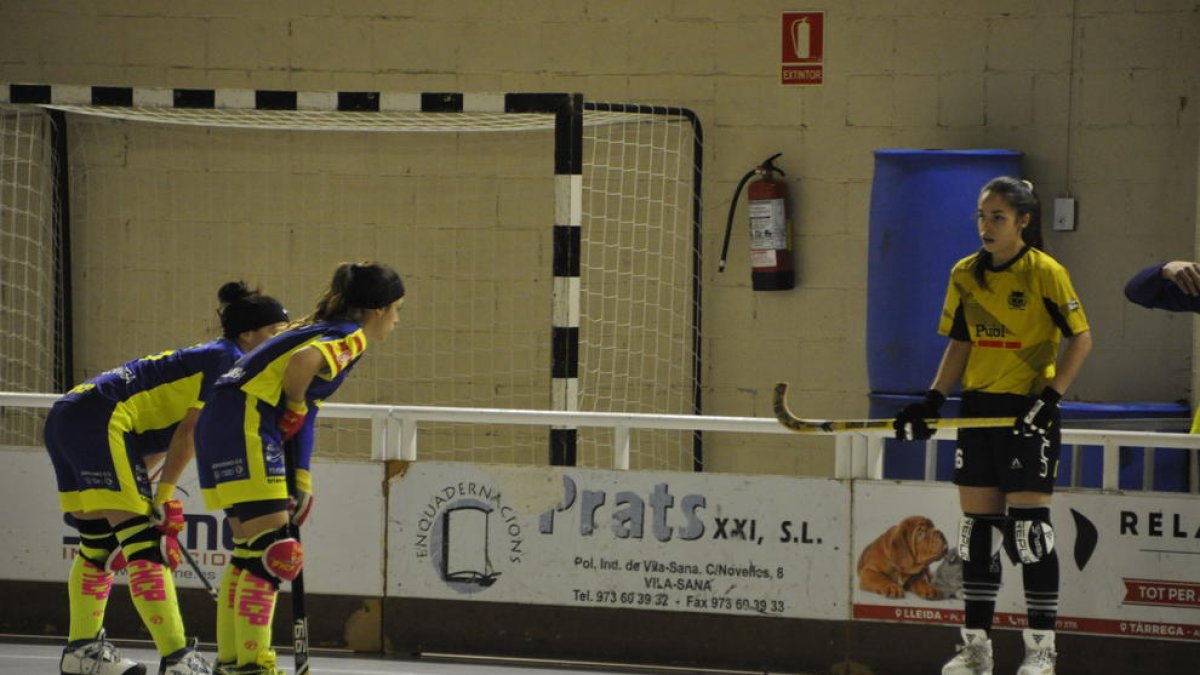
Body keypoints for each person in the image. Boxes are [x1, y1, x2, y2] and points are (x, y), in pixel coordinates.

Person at [890, 177, 1092, 675]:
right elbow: (960, 343)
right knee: (977, 536)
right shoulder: (965, 274)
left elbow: (1082, 340)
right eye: (982, 216)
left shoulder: (1046, 273)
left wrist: (1050, 399)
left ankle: (1041, 650)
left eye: (998, 217)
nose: (986, 226)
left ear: (1023, 222)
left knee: (1030, 536)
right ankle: (976, 646)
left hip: (1026, 411)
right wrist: (934, 399)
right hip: (979, 409)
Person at [46, 282, 289, 675]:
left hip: (72, 416)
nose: (281, 343)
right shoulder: (229, 359)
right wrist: (164, 495)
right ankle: (178, 659)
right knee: (146, 545)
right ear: (248, 334)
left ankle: (81, 651)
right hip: (101, 420)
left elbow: (158, 430)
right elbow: (188, 432)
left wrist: (151, 486)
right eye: (275, 334)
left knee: (99, 543)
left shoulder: (214, 356)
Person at [194, 261, 405, 675]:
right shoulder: (349, 336)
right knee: (275, 554)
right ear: (378, 309)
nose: (397, 321)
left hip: (220, 422)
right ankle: (255, 664)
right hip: (246, 423)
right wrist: (291, 405)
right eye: (398, 310)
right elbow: (302, 367)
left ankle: (235, 661)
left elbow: (306, 408)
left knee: (251, 552)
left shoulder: (318, 328)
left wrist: (301, 479)